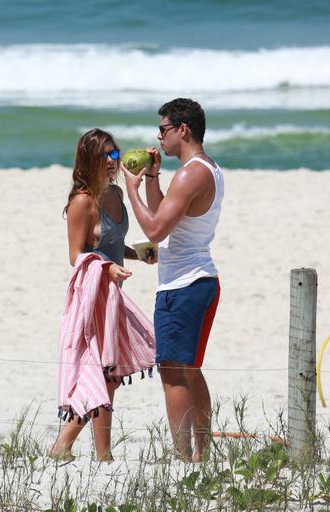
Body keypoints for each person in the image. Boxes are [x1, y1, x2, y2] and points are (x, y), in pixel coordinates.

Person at [120, 98, 224, 462]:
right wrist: (151, 177)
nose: (159, 137)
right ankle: (200, 455)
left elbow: (154, 227)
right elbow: (166, 213)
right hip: (199, 280)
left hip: (183, 286)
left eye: (163, 129)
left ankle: (183, 459)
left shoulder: (192, 173)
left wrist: (130, 188)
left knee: (173, 374)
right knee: (191, 370)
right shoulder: (207, 169)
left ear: (183, 129)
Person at [49, 128, 156, 462]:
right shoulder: (83, 202)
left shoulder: (116, 195)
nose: (113, 162)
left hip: (115, 296)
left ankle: (81, 449)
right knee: (103, 374)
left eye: (115, 154)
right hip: (93, 298)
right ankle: (83, 449)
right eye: (106, 156)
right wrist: (106, 269)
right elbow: (76, 255)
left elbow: (112, 245)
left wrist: (139, 254)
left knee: (110, 376)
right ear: (89, 160)